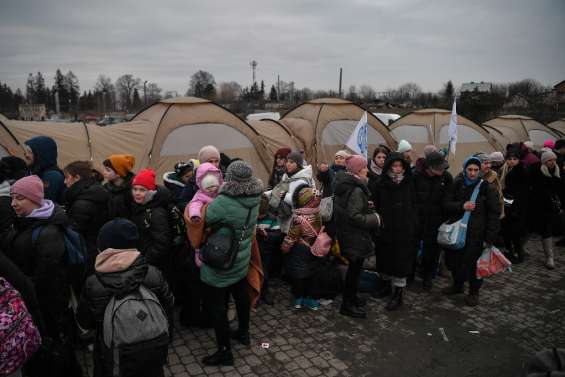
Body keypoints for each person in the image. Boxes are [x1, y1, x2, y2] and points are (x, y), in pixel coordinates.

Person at [2, 175, 82, 376]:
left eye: (20, 198)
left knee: (58, 353)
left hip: (46, 306)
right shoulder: (22, 222)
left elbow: (50, 281)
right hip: (30, 301)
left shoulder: (48, 233)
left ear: (35, 199)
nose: (13, 203)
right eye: (12, 197)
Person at [77, 218, 174, 377]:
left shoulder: (94, 283)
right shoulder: (153, 273)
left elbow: (85, 320)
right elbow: (168, 306)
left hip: (113, 355)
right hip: (152, 351)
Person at [199, 160, 262, 366]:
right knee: (240, 295)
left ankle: (224, 352)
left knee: (218, 307)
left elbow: (205, 218)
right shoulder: (255, 196)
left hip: (222, 260)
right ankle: (244, 333)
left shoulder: (224, 201)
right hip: (241, 258)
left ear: (230, 178)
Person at [443, 156, 500, 306]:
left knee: (475, 265)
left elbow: (494, 214)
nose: (473, 173)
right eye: (470, 169)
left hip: (477, 235)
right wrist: (462, 205)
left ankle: (474, 292)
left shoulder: (487, 188)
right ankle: (457, 285)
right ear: (464, 169)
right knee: (454, 261)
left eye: (476, 169)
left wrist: (490, 237)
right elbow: (446, 204)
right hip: (457, 233)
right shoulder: (457, 184)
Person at [334, 155, 381, 318]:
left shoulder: (347, 185)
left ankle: (352, 298)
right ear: (357, 171)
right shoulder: (356, 189)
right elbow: (354, 216)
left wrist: (365, 207)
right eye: (364, 168)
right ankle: (347, 306)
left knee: (355, 271)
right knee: (354, 272)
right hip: (355, 237)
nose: (367, 171)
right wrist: (375, 218)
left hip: (348, 235)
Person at [373, 153, 416, 311]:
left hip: (404, 230)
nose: (397, 169)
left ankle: (398, 294)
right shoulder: (380, 184)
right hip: (386, 229)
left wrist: (412, 223)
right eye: (394, 166)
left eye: (400, 166)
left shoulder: (410, 183)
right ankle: (385, 286)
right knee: (384, 259)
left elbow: (415, 204)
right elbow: (376, 205)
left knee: (400, 262)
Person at [413, 151, 453, 290]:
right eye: (439, 167)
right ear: (429, 167)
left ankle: (427, 277)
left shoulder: (446, 178)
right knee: (412, 248)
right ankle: (409, 275)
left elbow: (448, 198)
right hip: (417, 220)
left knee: (432, 252)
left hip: (436, 221)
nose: (442, 170)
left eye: (443, 167)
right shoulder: (415, 176)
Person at [281, 185, 324, 311]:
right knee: (312, 273)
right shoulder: (317, 213)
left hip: (300, 249)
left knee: (299, 274)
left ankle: (298, 300)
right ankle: (311, 300)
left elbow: (291, 237)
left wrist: (285, 248)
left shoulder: (299, 219)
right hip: (314, 247)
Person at [62, 161, 110, 273]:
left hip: (86, 253)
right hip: (95, 249)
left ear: (77, 178)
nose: (64, 182)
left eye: (67, 177)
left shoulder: (83, 203)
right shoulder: (93, 190)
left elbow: (74, 232)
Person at [129, 168, 173, 272]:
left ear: (150, 192)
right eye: (135, 189)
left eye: (142, 190)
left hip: (152, 263)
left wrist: (145, 260)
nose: (137, 193)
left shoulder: (157, 213)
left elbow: (161, 243)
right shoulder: (138, 206)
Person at [529, 151, 563, 269]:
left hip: (552, 207)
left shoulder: (558, 171)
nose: (552, 162)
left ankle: (549, 257)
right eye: (549, 160)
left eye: (553, 159)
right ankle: (522, 248)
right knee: (532, 228)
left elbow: (561, 190)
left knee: (547, 230)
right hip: (538, 206)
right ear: (544, 161)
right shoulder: (536, 171)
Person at [268, 151, 315, 233]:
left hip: (295, 222)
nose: (288, 164)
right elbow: (277, 189)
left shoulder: (301, 181)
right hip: (285, 220)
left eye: (292, 162)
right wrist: (266, 194)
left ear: (298, 164)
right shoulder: (288, 177)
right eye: (287, 162)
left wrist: (284, 196)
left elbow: (301, 200)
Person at [499, 147, 530, 263]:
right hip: (512, 205)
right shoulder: (509, 169)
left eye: (514, 159)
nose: (512, 161)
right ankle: (513, 252)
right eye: (510, 158)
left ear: (519, 160)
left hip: (515, 207)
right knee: (510, 231)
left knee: (514, 232)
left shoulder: (520, 171)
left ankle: (517, 254)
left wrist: (508, 206)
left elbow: (516, 193)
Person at [256, 194, 283, 305]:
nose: (259, 217)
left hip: (266, 252)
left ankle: (264, 293)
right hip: (252, 252)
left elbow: (277, 235)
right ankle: (255, 295)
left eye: (262, 215)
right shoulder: (250, 216)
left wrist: (266, 235)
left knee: (264, 274)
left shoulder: (272, 219)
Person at [23, 136, 65, 203]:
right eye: (25, 152)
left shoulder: (52, 176)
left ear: (40, 154)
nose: (26, 155)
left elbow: (44, 204)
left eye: (29, 152)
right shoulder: (32, 171)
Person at [102, 154, 135, 219]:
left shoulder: (132, 190)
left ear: (118, 173)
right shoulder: (105, 188)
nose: (104, 172)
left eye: (108, 170)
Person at [476, 152, 504, 219]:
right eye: (485, 163)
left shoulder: (493, 175)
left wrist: (502, 211)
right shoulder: (471, 176)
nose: (489, 165)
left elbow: (500, 193)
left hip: (491, 211)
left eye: (489, 163)